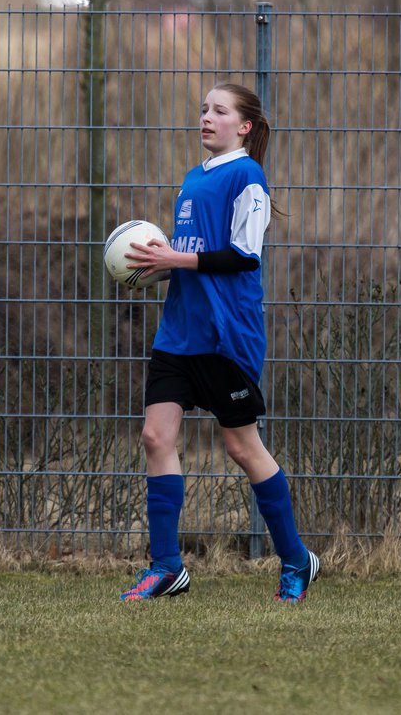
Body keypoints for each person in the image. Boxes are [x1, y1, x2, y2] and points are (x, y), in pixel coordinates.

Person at [117, 82, 319, 604]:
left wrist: (174, 261)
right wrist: (149, 266)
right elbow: (191, 257)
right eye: (204, 109)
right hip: (179, 333)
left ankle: (297, 560)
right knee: (155, 438)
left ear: (244, 126)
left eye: (220, 111)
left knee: (240, 447)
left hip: (227, 335)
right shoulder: (191, 180)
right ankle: (166, 566)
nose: (207, 117)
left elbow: (241, 257)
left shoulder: (248, 177)